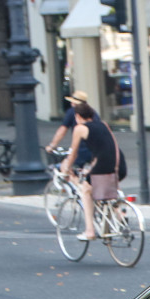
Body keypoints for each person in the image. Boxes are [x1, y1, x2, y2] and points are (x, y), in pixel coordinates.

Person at [62, 101, 121, 242]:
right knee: (102, 190)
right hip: (115, 162)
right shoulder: (104, 125)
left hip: (102, 164)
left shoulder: (80, 128)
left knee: (86, 191)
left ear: (77, 116)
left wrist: (66, 169)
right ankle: (113, 221)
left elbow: (74, 153)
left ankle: (89, 231)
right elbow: (108, 146)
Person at [46, 90, 98, 171]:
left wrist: (52, 145)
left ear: (74, 103)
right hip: (95, 150)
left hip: (81, 150)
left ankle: (75, 181)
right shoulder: (93, 112)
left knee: (65, 167)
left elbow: (62, 130)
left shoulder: (72, 112)